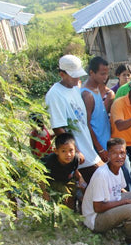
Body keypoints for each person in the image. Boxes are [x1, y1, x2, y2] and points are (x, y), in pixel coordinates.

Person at [82, 138, 131, 245]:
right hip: (96, 219)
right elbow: (98, 207)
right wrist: (126, 202)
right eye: (114, 153)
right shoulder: (101, 175)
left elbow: (120, 189)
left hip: (112, 200)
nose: (119, 157)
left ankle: (126, 219)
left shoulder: (118, 169)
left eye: (122, 153)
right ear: (108, 154)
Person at [45, 54, 102, 183]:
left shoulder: (75, 87)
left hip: (89, 148)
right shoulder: (54, 95)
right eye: (73, 75)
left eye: (78, 75)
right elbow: (58, 127)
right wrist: (75, 152)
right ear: (62, 74)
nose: (77, 78)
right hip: (80, 155)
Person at [40, 133, 87, 210]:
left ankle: (74, 214)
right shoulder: (50, 161)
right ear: (56, 151)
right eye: (63, 151)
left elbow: (74, 169)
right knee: (66, 197)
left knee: (79, 193)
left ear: (75, 149)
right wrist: (44, 192)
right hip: (52, 181)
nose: (68, 154)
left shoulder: (75, 158)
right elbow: (41, 176)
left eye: (71, 150)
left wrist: (80, 179)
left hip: (67, 179)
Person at [81, 56, 111, 163]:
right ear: (92, 73)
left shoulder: (97, 88)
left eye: (107, 74)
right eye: (102, 74)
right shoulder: (87, 95)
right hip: (100, 146)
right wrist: (100, 148)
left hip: (106, 142)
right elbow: (86, 124)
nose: (105, 77)